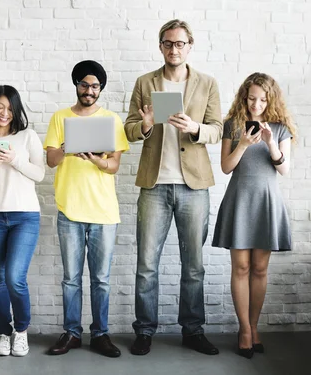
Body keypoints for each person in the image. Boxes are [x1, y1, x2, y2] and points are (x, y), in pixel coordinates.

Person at [124, 19, 223, 356]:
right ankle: (144, 330)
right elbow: (129, 129)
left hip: (194, 186)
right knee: (146, 264)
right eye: (168, 43)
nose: (174, 49)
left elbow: (218, 128)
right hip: (154, 186)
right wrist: (147, 126)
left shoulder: (207, 83)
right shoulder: (145, 82)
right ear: (161, 46)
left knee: (193, 264)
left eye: (180, 43)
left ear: (189, 46)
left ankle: (192, 330)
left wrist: (196, 128)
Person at [44, 60, 129, 358]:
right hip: (70, 210)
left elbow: (114, 166)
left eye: (94, 86)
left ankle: (101, 334)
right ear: (76, 85)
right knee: (70, 278)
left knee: (101, 279)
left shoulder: (112, 121)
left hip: (103, 212)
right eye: (84, 84)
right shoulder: (60, 118)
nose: (89, 90)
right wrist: (67, 147)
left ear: (100, 88)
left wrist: (95, 159)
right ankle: (72, 332)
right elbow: (51, 161)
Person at [212, 73, 296, 358]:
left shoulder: (281, 128)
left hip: (266, 203)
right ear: (244, 98)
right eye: (251, 99)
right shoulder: (233, 125)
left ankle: (255, 326)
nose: (256, 104)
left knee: (260, 269)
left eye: (262, 99)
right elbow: (226, 167)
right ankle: (245, 329)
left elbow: (284, 170)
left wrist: (271, 143)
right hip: (240, 201)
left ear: (270, 99)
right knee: (241, 268)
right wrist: (245, 143)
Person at [0, 85, 45, 357]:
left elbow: (39, 174)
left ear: (16, 111)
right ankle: (4, 332)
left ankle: (21, 331)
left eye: (9, 108)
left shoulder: (27, 137)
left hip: (24, 216)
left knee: (15, 278)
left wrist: (14, 160)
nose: (4, 113)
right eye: (0, 107)